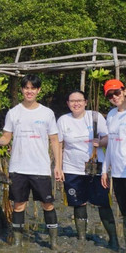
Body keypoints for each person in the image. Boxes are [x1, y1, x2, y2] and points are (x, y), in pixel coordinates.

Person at [0, 74, 62, 249]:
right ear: (22, 90)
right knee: (18, 205)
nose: (29, 91)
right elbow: (7, 137)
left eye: (33, 88)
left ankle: (53, 242)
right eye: (26, 88)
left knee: (48, 204)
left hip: (40, 167)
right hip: (18, 167)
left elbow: (54, 140)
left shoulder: (47, 113)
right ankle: (17, 242)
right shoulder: (13, 112)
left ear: (38, 90)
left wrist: (58, 166)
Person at [59, 89, 118, 249]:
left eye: (79, 100)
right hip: (72, 168)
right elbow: (58, 144)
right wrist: (58, 167)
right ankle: (82, 238)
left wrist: (101, 142)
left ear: (85, 102)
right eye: (72, 101)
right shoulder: (63, 120)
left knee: (102, 203)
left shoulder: (95, 116)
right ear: (68, 104)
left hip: (95, 168)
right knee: (79, 203)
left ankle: (113, 239)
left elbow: (107, 138)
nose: (76, 103)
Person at [101, 79, 126, 248]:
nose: (114, 97)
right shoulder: (111, 115)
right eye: (110, 95)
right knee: (124, 213)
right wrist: (104, 170)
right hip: (117, 172)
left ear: (124, 91)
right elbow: (110, 144)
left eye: (116, 92)